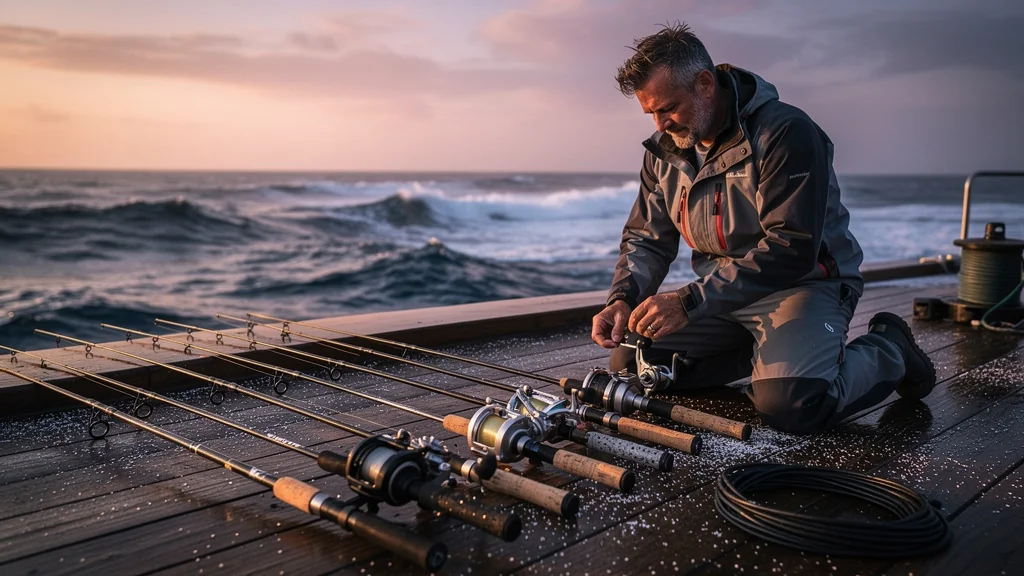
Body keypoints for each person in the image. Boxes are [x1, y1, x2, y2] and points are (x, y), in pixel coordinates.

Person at [591, 23, 936, 434]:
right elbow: (646, 238)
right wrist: (622, 299)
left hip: (803, 285)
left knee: (792, 407)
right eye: (651, 113)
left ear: (704, 84)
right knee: (633, 362)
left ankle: (889, 346)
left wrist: (688, 304)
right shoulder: (665, 151)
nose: (661, 124)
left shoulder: (785, 132)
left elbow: (792, 247)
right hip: (722, 295)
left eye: (668, 108)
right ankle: (764, 354)